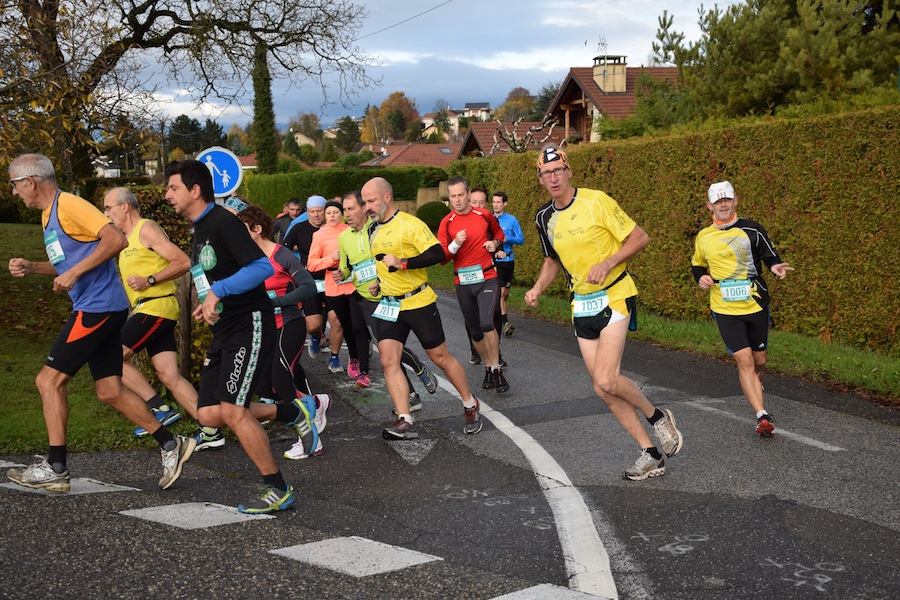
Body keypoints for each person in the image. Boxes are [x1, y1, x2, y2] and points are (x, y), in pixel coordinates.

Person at [6, 154, 195, 493]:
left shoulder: (69, 206)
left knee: (48, 381)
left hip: (97, 309)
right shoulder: (50, 215)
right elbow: (71, 262)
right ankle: (171, 443)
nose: (15, 193)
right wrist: (33, 267)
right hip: (103, 307)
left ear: (30, 181)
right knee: (109, 390)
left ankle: (56, 467)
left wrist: (76, 273)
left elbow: (115, 241)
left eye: (15, 185)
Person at [524, 145, 683, 481]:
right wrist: (538, 287)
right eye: (545, 173)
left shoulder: (597, 201)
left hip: (615, 294)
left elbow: (640, 237)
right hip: (581, 303)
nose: (553, 178)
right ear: (540, 179)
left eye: (557, 170)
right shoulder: (544, 218)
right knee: (600, 388)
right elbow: (552, 260)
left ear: (569, 172)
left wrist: (609, 262)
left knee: (608, 378)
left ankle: (658, 417)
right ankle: (650, 453)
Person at [165, 159, 301, 514]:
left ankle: (278, 489)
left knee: (233, 409)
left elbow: (260, 268)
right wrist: (209, 304)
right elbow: (212, 276)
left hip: (249, 324)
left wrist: (218, 292)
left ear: (195, 190)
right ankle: (290, 412)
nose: (167, 195)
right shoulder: (200, 229)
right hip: (225, 328)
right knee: (209, 414)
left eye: (173, 187)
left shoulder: (224, 222)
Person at [103, 187, 225, 451]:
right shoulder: (126, 239)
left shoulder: (146, 230)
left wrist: (150, 280)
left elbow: (182, 261)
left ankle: (158, 407)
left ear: (125, 206)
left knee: (109, 357)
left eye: (108, 207)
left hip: (156, 308)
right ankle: (210, 429)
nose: (106, 213)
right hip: (148, 309)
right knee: (169, 374)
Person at [361, 176, 482, 439]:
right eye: (364, 202)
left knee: (440, 358)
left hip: (418, 302)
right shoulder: (371, 229)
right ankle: (405, 419)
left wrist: (403, 263)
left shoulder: (410, 224)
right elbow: (384, 264)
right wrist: (379, 284)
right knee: (388, 359)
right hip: (390, 304)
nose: (366, 207)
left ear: (386, 197)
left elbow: (437, 254)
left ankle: (470, 403)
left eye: (370, 201)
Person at [691, 181, 794, 436]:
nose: (723, 205)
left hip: (755, 300)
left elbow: (769, 255)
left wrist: (775, 267)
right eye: (717, 201)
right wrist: (701, 277)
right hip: (723, 306)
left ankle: (755, 379)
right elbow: (697, 264)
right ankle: (762, 415)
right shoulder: (704, 236)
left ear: (735, 201)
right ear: (709, 206)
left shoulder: (752, 229)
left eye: (727, 200)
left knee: (759, 359)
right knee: (743, 358)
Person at [237, 204, 327, 459]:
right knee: (265, 385)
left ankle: (310, 439)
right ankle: (316, 403)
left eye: (242, 230)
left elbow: (308, 286)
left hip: (289, 323)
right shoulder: (247, 260)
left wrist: (276, 302)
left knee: (280, 377)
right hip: (263, 329)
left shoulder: (281, 254)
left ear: (256, 229)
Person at [336, 190, 439, 402]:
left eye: (351, 208)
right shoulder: (344, 237)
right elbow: (346, 267)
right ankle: (410, 395)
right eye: (344, 210)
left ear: (364, 208)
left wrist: (384, 277)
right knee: (385, 351)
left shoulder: (376, 230)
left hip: (387, 297)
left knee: (392, 350)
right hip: (364, 299)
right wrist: (342, 273)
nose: (347, 214)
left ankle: (418, 369)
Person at [438, 176, 509, 393]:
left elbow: (499, 235)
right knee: (475, 332)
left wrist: (494, 243)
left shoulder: (484, 215)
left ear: (468, 194)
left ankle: (496, 368)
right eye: (453, 196)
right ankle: (488, 365)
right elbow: (442, 257)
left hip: (487, 277)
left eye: (461, 195)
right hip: (463, 281)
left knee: (487, 323)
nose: (457, 200)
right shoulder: (446, 222)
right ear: (449, 198)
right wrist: (455, 244)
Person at [307, 200, 359, 376]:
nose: (331, 216)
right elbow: (311, 264)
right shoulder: (319, 235)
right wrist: (331, 258)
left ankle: (343, 356)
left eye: (335, 212)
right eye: (328, 213)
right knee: (334, 320)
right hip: (331, 281)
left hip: (352, 281)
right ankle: (331, 353)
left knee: (347, 322)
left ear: (342, 214)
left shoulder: (350, 230)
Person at [282, 195, 335, 362]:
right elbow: (284, 250)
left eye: (319, 211)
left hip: (332, 278)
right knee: (313, 325)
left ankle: (335, 357)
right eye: (312, 212)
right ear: (308, 212)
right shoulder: (299, 228)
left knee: (337, 320)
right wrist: (295, 270)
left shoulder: (334, 228)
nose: (316, 215)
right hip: (310, 279)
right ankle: (315, 335)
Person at [492, 190, 525, 337]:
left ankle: (498, 317)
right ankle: (504, 323)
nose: (495, 205)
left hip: (508, 262)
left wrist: (507, 238)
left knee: (505, 293)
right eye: (493, 202)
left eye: (498, 202)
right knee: (500, 292)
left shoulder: (511, 220)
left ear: (505, 203)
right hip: (493, 262)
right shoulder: (488, 219)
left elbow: (521, 240)